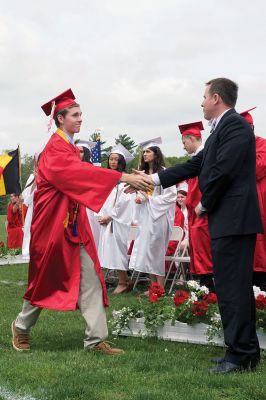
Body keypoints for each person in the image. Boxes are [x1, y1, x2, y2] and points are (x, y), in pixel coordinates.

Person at [136, 78, 263, 373]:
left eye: (204, 97)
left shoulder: (234, 127)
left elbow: (222, 171)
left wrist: (204, 203)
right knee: (231, 287)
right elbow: (196, 165)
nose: (202, 103)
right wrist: (152, 179)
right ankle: (240, 350)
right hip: (228, 219)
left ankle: (241, 355)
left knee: (234, 289)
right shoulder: (222, 130)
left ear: (216, 98)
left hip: (233, 219)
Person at [11, 88, 151, 355]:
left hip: (74, 226)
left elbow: (82, 177)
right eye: (75, 115)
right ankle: (21, 327)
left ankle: (95, 340)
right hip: (52, 228)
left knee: (91, 280)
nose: (80, 119)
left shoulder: (69, 148)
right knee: (45, 280)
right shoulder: (54, 149)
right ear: (60, 118)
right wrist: (122, 177)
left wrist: (122, 182)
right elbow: (76, 175)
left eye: (81, 114)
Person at [129, 138, 176, 287]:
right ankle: (152, 286)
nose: (144, 154)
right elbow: (143, 193)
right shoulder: (142, 173)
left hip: (159, 216)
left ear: (156, 154)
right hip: (146, 216)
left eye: (148, 151)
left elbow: (171, 195)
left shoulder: (164, 173)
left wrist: (149, 200)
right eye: (143, 152)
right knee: (147, 250)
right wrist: (140, 197)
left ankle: (160, 287)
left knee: (156, 252)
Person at [179, 121, 214, 292]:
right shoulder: (199, 159)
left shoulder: (205, 158)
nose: (184, 146)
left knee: (206, 255)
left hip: (203, 215)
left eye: (184, 142)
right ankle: (205, 290)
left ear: (192, 138)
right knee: (201, 254)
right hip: (196, 216)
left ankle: (208, 291)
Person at [97, 144, 135, 294]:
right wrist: (100, 215)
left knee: (118, 250)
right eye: (111, 159)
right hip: (107, 222)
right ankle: (125, 280)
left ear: (121, 162)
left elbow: (125, 202)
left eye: (116, 160)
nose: (112, 162)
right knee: (111, 250)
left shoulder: (125, 180)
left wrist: (111, 216)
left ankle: (122, 282)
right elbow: (101, 199)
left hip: (119, 222)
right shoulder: (107, 179)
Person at [240, 108, 266, 291]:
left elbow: (257, 169)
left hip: (260, 202)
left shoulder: (262, 144)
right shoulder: (235, 146)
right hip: (242, 204)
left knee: (260, 246)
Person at [77, 140, 101, 248]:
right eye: (76, 151)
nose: (78, 154)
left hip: (88, 205)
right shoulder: (71, 168)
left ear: (86, 153)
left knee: (90, 230)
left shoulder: (92, 169)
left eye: (81, 151)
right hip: (74, 204)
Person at [21, 155, 39, 258]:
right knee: (29, 229)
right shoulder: (32, 177)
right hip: (33, 208)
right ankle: (28, 250)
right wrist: (36, 181)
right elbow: (27, 199)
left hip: (46, 208)